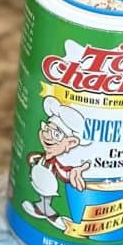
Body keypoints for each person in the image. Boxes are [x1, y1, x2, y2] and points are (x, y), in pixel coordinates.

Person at [21, 96, 92, 229]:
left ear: (71, 143)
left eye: (56, 134)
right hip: (38, 179)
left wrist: (73, 173)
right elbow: (34, 157)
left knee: (47, 194)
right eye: (46, 129)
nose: (47, 135)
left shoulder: (57, 163)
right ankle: (40, 208)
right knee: (40, 191)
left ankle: (52, 215)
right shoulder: (44, 156)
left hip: (49, 183)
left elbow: (63, 172)